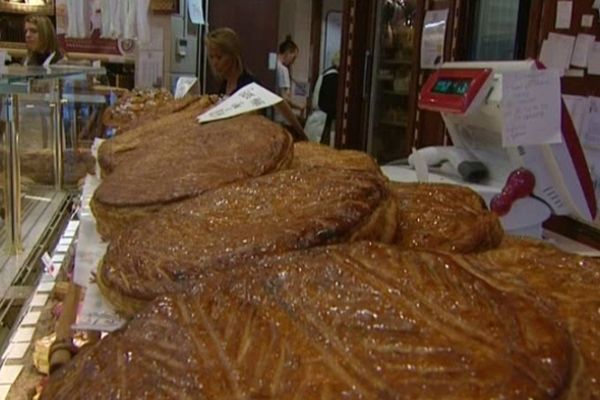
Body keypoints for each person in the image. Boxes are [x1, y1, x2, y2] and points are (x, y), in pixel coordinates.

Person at [205, 27, 307, 141]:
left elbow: (279, 103)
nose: (214, 63)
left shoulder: (250, 85)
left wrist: (302, 135)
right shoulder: (224, 85)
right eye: (211, 57)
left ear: (233, 56)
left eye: (219, 57)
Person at [275, 35, 305, 120]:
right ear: (288, 53)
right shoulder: (283, 70)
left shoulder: (274, 65)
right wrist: (299, 106)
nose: (293, 61)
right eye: (294, 57)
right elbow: (285, 98)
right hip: (280, 115)